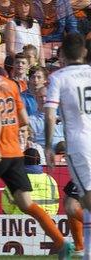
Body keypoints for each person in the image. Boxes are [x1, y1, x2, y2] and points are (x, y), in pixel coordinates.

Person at [0, 43, 72, 259]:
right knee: (26, 203)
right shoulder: (12, 85)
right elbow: (23, 119)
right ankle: (60, 242)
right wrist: (24, 131)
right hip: (15, 153)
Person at [44, 33, 91, 259]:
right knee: (81, 201)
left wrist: (48, 146)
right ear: (83, 52)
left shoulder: (59, 77)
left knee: (87, 200)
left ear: (62, 54)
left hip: (80, 145)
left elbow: (50, 113)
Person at [1, 148, 59, 215]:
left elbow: (7, 209)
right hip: (45, 221)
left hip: (19, 221)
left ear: (22, 161)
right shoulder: (50, 180)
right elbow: (54, 206)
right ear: (39, 161)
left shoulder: (14, 180)